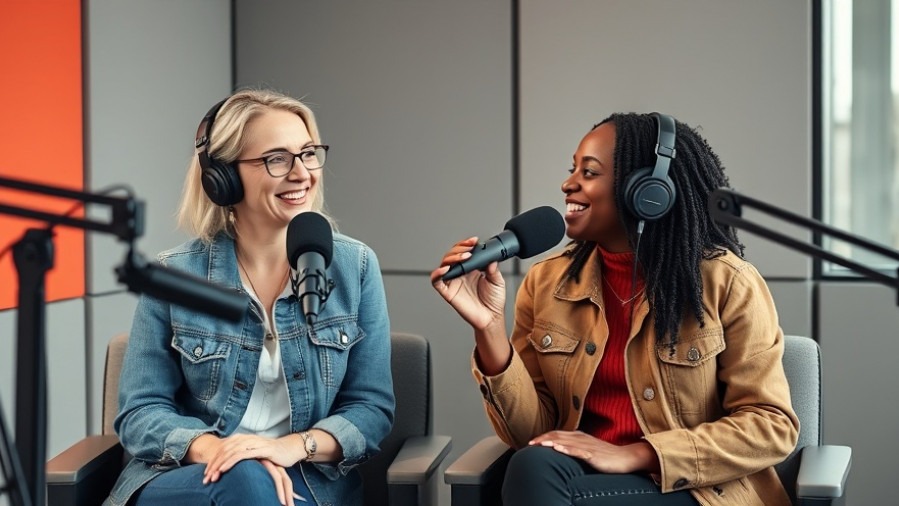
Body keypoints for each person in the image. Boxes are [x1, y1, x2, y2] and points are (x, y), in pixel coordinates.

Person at [431, 112, 799, 505]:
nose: (567, 184)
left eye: (589, 173)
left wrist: (638, 453)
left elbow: (770, 427)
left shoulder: (727, 282)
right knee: (530, 465)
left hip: (697, 489)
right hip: (579, 481)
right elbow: (532, 433)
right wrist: (489, 330)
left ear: (648, 192)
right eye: (572, 169)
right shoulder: (546, 283)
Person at [105, 89, 395, 506]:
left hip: (306, 486)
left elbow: (370, 409)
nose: (301, 173)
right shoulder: (176, 274)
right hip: (192, 479)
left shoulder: (355, 266)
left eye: (309, 153)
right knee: (244, 480)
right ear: (222, 178)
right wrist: (217, 450)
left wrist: (291, 447)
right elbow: (140, 411)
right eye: (277, 159)